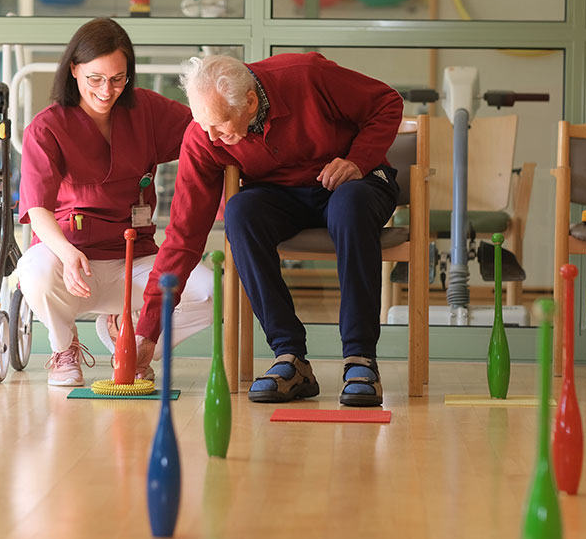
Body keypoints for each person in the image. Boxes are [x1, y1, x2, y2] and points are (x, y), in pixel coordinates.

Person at [133, 51, 402, 406]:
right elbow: (183, 236)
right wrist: (148, 331)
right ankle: (290, 357)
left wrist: (357, 160)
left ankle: (360, 357)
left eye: (220, 124)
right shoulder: (204, 136)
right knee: (241, 211)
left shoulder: (307, 76)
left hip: (356, 184)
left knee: (348, 206)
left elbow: (387, 102)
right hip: (282, 199)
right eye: (203, 123)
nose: (210, 135)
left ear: (249, 101)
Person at [16, 18, 213, 387]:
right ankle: (63, 348)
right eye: (95, 78)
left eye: (118, 79)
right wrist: (65, 252)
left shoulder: (147, 111)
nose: (107, 90)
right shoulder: (45, 129)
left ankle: (134, 344)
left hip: (135, 259)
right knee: (34, 272)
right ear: (74, 70)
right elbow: (37, 209)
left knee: (212, 293)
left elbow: (203, 129)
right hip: (73, 260)